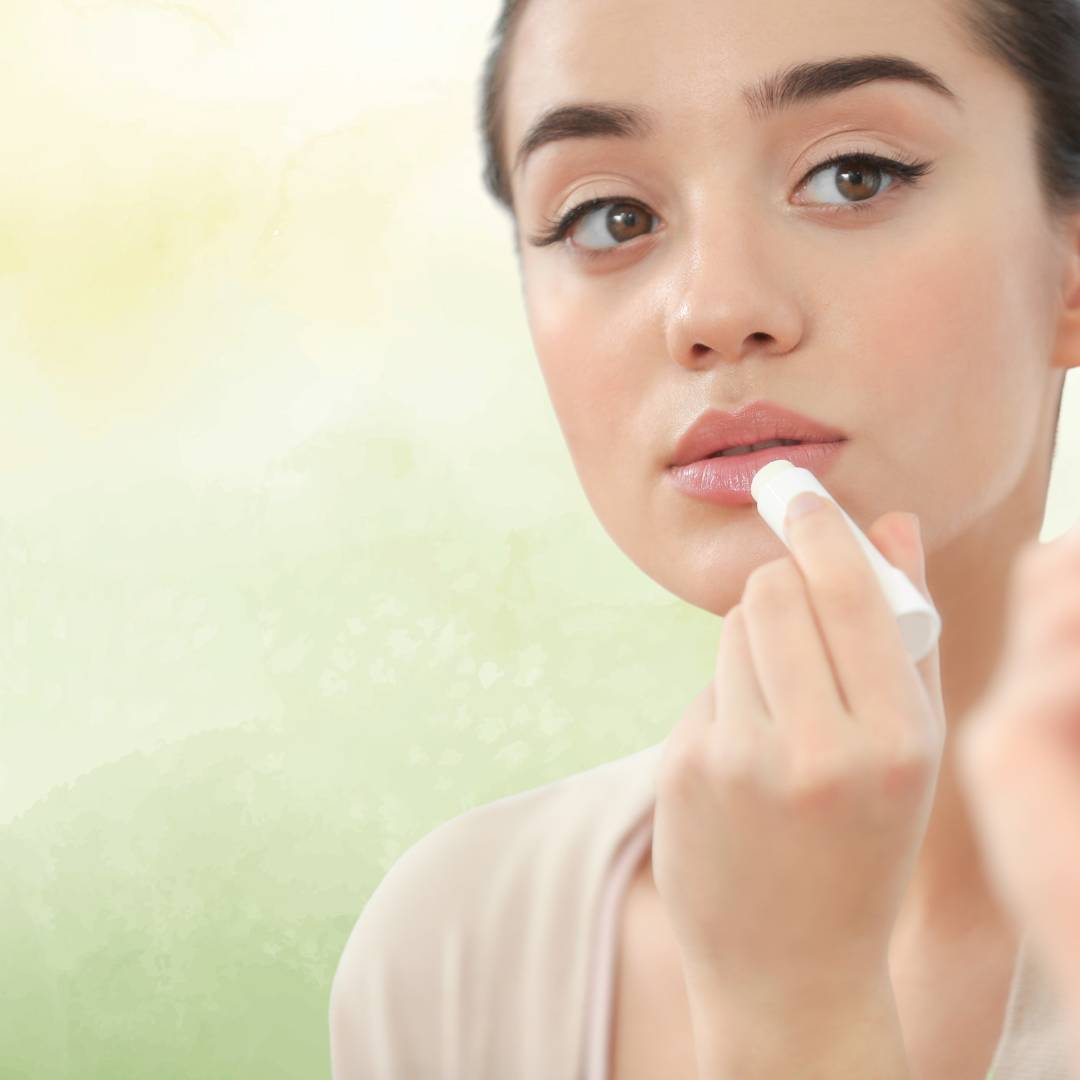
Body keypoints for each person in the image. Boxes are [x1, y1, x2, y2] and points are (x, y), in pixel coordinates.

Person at [330, 0, 1080, 1076]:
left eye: (853, 175)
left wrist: (799, 1013)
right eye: (609, 218)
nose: (715, 309)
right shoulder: (456, 947)